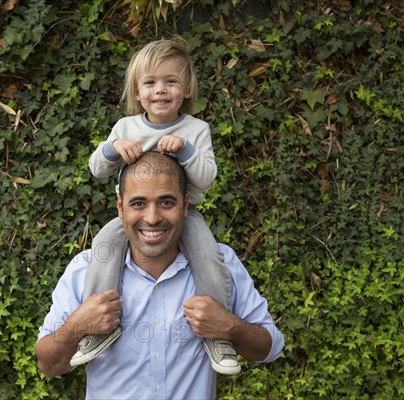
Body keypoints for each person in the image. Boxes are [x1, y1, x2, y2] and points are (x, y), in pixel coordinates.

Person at [36, 152, 284, 400]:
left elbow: (271, 347)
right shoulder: (85, 269)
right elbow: (48, 364)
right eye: (138, 203)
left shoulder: (221, 265)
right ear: (120, 207)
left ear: (185, 205)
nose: (152, 218)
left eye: (166, 202)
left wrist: (230, 328)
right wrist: (76, 327)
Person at [80, 37, 241, 374]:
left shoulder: (196, 129)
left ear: (186, 89)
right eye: (150, 83)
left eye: (171, 81)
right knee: (104, 247)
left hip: (184, 215)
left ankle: (218, 336)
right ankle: (98, 327)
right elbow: (97, 169)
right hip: (131, 217)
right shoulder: (125, 127)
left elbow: (207, 177)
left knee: (209, 255)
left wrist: (185, 151)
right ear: (137, 93)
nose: (160, 90)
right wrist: (112, 148)